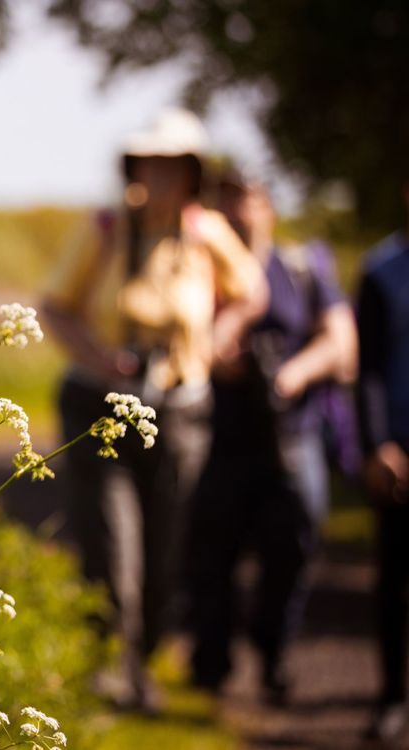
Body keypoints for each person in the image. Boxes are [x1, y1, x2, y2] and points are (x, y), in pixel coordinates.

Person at [42, 109, 268, 712]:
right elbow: (55, 307)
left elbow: (251, 292)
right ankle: (109, 667)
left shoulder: (206, 232)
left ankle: (144, 666)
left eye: (173, 165)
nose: (160, 174)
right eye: (150, 162)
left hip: (181, 408)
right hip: (99, 404)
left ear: (193, 173)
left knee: (170, 548)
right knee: (113, 543)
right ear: (133, 166)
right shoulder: (105, 227)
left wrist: (220, 336)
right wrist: (101, 356)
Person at [186, 175, 357, 704]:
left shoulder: (301, 268)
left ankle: (273, 649)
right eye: (229, 203)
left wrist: (293, 375)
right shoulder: (199, 274)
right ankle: (210, 667)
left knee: (294, 544)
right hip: (219, 437)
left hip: (291, 435)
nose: (241, 213)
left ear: (270, 212)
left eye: (252, 202)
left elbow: (342, 344)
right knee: (210, 554)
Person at [358, 182, 409, 743]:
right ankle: (392, 696)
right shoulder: (381, 271)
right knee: (393, 581)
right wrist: (377, 445)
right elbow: (368, 368)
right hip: (398, 452)